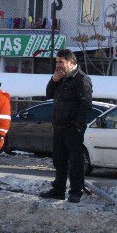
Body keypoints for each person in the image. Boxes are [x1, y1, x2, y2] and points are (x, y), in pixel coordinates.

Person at [39, 49, 93, 203]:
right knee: (59, 160)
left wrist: (78, 126)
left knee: (75, 161)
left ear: (72, 63)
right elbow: (49, 95)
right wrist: (53, 80)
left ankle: (75, 192)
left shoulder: (81, 80)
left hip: (72, 128)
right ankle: (58, 190)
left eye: (61, 62)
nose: (58, 65)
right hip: (59, 127)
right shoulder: (61, 79)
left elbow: (85, 105)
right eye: (57, 61)